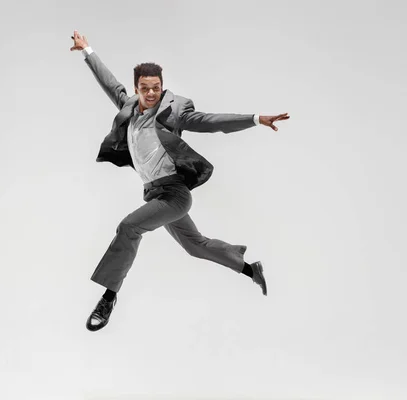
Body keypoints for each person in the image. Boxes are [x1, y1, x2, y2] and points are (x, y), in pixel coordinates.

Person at [70, 30, 290, 332]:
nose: (150, 94)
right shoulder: (129, 107)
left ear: (162, 88)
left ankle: (109, 296)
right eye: (144, 88)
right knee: (194, 246)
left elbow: (211, 121)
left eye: (156, 88)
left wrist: (254, 119)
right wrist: (87, 50)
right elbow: (110, 82)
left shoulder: (174, 112)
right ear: (137, 88)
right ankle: (251, 269)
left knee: (129, 227)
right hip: (154, 194)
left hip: (174, 194)